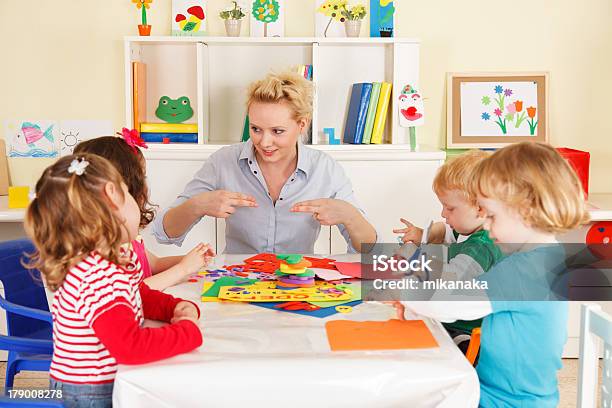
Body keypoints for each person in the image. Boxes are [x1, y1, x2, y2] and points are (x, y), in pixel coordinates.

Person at [395, 142, 590, 407]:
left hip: (508, 401)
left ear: (526, 210)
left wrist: (401, 288)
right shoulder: (543, 256)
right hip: (500, 390)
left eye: (492, 216)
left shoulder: (525, 270)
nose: (485, 224)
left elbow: (446, 303)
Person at [25, 154, 203, 408]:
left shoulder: (98, 259)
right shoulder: (98, 275)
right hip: (91, 391)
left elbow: (134, 294)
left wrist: (173, 307)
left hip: (81, 383)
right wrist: (187, 332)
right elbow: (130, 347)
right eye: (127, 192)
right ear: (112, 194)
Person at [153, 71, 377, 254]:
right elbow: (165, 232)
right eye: (256, 129)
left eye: (277, 131)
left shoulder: (325, 168)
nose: (264, 142)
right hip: (237, 283)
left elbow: (370, 250)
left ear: (302, 124)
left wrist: (349, 214)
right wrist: (197, 205)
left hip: (299, 283)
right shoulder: (223, 161)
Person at [393, 150, 503, 354]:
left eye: (450, 208)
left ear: (481, 209)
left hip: (470, 329)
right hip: (454, 319)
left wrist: (414, 260)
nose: (443, 213)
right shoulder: (469, 231)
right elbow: (447, 233)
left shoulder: (483, 245)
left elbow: (451, 278)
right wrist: (423, 235)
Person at [74, 133, 214, 290]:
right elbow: (131, 292)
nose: (145, 187)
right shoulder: (98, 249)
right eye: (142, 177)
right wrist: (183, 269)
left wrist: (192, 260)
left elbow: (154, 264)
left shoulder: (129, 238)